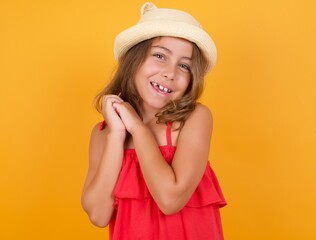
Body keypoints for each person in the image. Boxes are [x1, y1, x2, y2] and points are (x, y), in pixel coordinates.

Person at [81, 2, 226, 239]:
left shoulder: (194, 118)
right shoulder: (104, 133)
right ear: (133, 61)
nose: (171, 72)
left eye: (184, 66)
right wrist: (117, 136)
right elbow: (98, 214)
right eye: (160, 56)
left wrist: (138, 128)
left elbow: (170, 199)